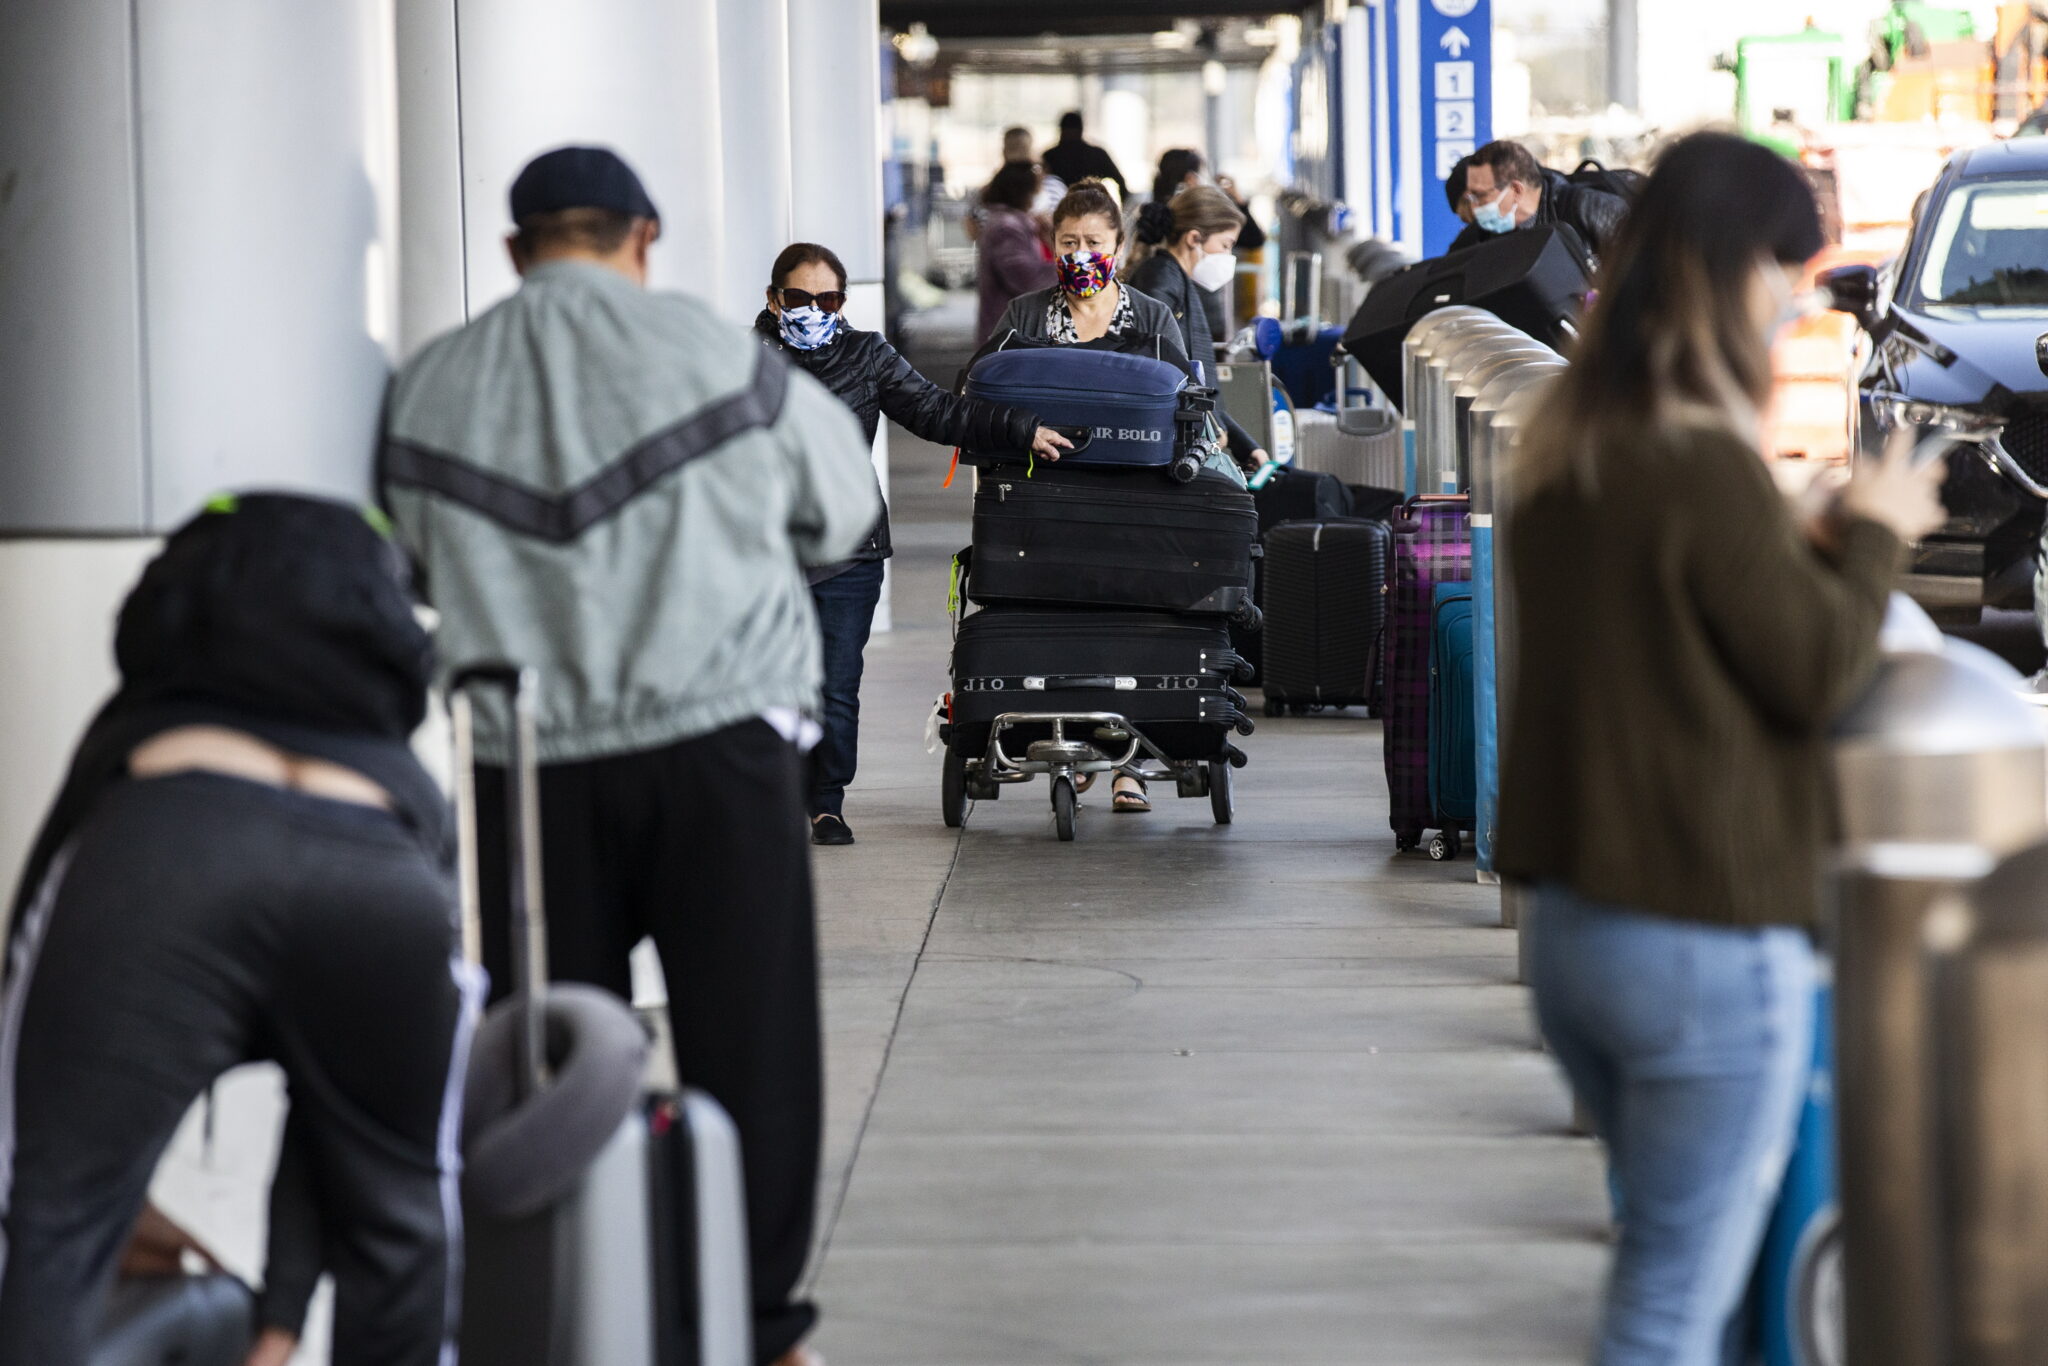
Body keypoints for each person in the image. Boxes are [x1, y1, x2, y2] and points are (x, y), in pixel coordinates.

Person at [378, 145, 878, 1366]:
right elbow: (841, 513)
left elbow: (408, 568)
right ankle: (757, 1327)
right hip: (716, 748)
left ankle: (558, 1306)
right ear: (642, 237)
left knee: (548, 1052)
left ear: (514, 250)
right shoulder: (722, 360)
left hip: (526, 760)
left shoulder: (430, 385)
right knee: (750, 1042)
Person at [1496, 131, 1945, 1363]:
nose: (1796, 303)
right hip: (1697, 934)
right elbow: (1812, 668)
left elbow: (1674, 622)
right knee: (1669, 1308)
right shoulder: (1696, 463)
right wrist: (1873, 530)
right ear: (1737, 273)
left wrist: (1786, 527)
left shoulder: (1574, 444)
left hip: (1583, 933)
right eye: (1789, 277)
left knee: (1665, 1275)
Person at [0, 494, 475, 1366]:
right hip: (374, 873)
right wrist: (280, 1325)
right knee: (401, 1224)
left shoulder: (136, 730)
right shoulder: (402, 782)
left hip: (168, 847)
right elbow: (347, 1135)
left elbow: (28, 1130)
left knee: (55, 1225)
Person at [756, 241, 1070, 843]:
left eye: (828, 298)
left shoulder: (866, 355)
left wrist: (1019, 429)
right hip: (764, 553)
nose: (814, 309)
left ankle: (825, 801)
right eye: (799, 298)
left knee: (836, 684)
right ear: (774, 299)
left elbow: (937, 412)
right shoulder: (743, 363)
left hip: (849, 551)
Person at [978, 178, 1228, 814]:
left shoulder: (1149, 317)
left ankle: (1130, 766)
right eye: (1068, 241)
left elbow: (1189, 403)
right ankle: (1075, 736)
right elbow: (978, 391)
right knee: (1060, 621)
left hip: (1134, 502)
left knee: (1129, 624)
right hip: (1045, 498)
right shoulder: (1027, 316)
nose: (1080, 253)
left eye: (1093, 241)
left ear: (1117, 248)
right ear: (1051, 244)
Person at [1125, 185, 1269, 471]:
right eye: (1226, 245)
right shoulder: (1161, 283)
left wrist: (1245, 445)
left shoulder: (1173, 279)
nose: (1229, 256)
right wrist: (1211, 427)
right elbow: (1165, 372)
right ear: (1194, 238)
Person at [1448, 138, 1627, 262]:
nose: (1475, 207)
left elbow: (1642, 271)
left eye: (1479, 196)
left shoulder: (1590, 208)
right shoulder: (1481, 235)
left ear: (1516, 190)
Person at [976, 160, 1058, 341]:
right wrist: (1067, 267)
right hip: (1009, 334)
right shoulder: (1006, 228)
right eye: (1038, 188)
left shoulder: (1016, 223)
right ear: (1023, 191)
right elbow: (1028, 281)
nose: (1042, 193)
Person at [1040, 111, 1128, 199]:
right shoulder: (1097, 154)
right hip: (1090, 206)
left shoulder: (1050, 156)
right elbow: (1120, 181)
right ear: (1081, 130)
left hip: (1061, 208)